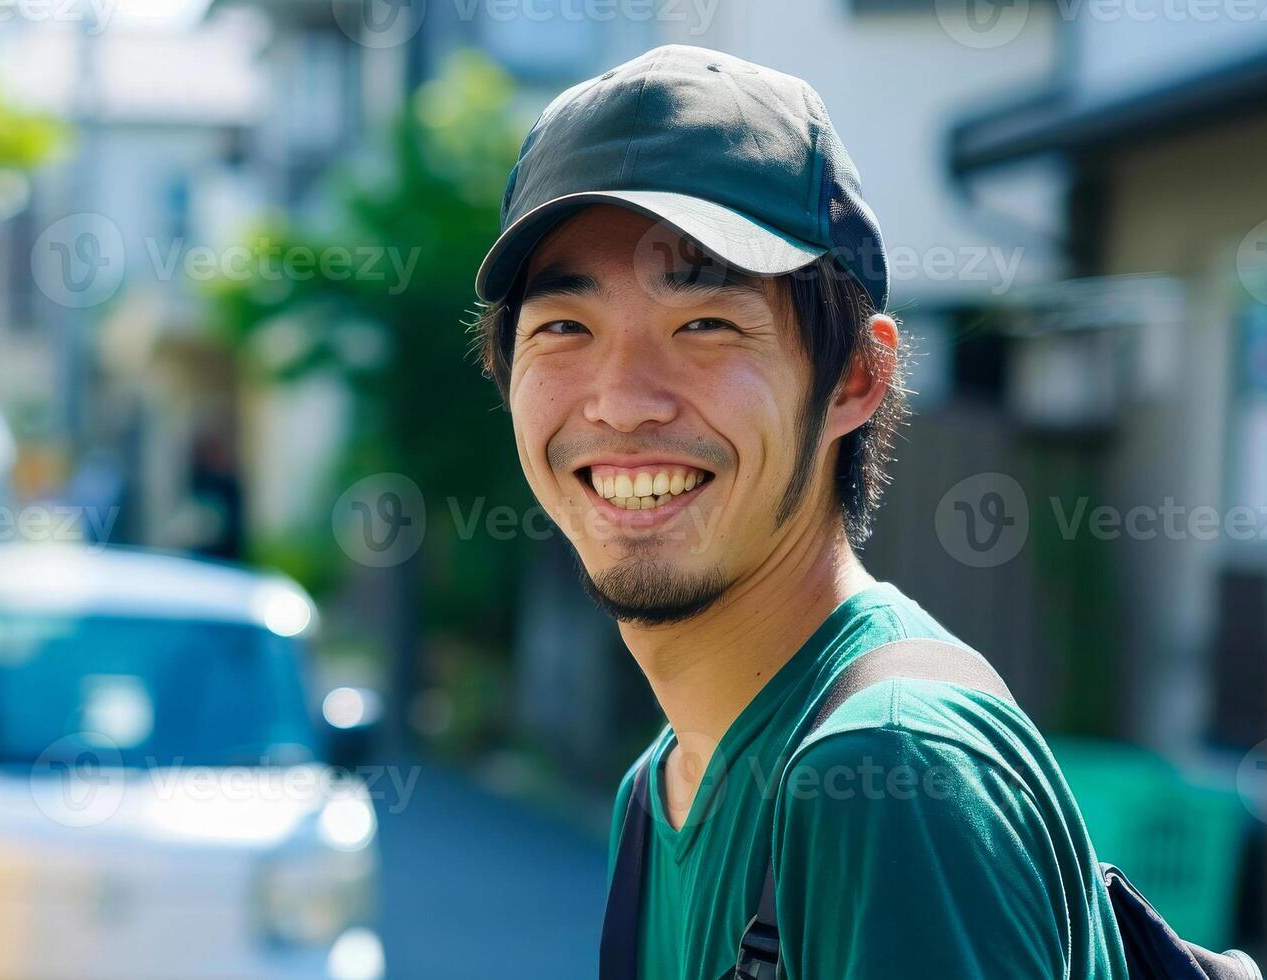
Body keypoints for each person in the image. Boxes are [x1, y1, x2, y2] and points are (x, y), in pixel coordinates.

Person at [471, 45, 1127, 978]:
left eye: (704, 325)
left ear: (858, 376)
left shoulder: (891, 772)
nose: (621, 401)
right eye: (564, 328)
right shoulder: (660, 791)